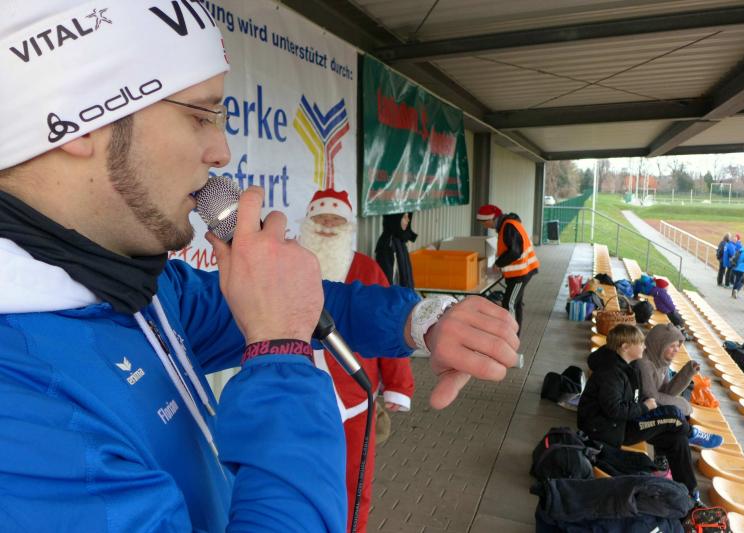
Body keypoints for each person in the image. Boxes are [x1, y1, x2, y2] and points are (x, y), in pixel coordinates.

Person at [0, 3, 520, 530]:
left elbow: (293, 302)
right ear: (78, 116)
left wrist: (422, 320)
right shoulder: (21, 408)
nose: (221, 152)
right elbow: (283, 323)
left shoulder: (136, 287)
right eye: (199, 116)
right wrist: (280, 353)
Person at [299, 188, 414, 533]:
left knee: (355, 479)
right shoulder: (291, 262)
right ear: (308, 221)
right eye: (321, 218)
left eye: (336, 219)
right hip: (300, 395)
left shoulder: (367, 268)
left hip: (354, 397)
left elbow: (390, 328)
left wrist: (398, 385)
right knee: (300, 476)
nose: (327, 225)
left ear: (348, 225)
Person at [577, 325, 714, 503]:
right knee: (673, 415)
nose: (644, 346)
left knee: (677, 439)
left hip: (624, 422)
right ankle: (691, 433)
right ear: (625, 347)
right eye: (640, 343)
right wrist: (644, 407)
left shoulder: (627, 366)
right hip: (610, 430)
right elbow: (615, 410)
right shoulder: (611, 372)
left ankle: (690, 492)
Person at [476, 204, 539, 335]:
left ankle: (509, 336)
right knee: (516, 303)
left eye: (484, 222)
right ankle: (515, 336)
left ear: (491, 218)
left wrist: (498, 264)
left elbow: (515, 252)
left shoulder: (508, 226)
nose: (485, 226)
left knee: (509, 304)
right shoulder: (507, 225)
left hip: (521, 273)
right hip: (520, 271)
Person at [635, 324, 699, 415]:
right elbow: (651, 397)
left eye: (678, 345)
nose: (676, 349)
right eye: (672, 346)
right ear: (658, 345)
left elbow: (667, 391)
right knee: (681, 410)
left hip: (653, 404)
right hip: (640, 409)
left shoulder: (661, 359)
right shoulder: (644, 364)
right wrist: (683, 405)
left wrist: (687, 372)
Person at [375, 212, 417, 288]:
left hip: (404, 293)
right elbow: (388, 284)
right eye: (404, 217)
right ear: (395, 220)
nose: (408, 220)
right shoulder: (388, 244)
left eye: (408, 216)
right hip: (396, 294)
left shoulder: (399, 239)